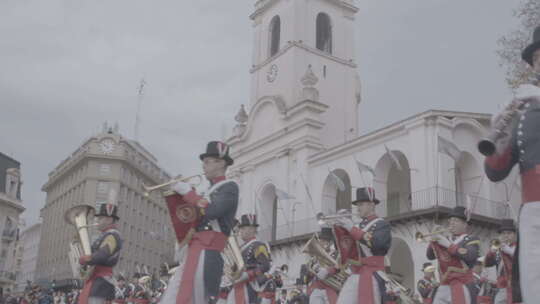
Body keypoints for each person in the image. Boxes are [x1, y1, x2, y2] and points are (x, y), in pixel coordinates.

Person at [483, 24, 540, 304]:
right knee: (533, 290)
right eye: (538, 58)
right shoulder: (524, 108)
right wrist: (500, 136)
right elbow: (495, 172)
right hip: (532, 211)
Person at [161, 141, 239, 304]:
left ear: (221, 162)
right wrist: (180, 198)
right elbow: (191, 217)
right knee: (172, 297)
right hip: (195, 250)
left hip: (208, 252)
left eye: (207, 161)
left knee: (197, 299)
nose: (203, 166)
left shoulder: (230, 187)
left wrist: (188, 193)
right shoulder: (206, 192)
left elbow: (211, 211)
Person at [334, 187, 392, 304]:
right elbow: (348, 248)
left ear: (371, 205)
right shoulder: (357, 226)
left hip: (372, 273)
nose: (358, 208)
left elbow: (378, 244)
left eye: (361, 204)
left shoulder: (381, 224)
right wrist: (340, 230)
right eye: (357, 205)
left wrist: (351, 228)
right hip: (355, 272)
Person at [426, 206, 480, 304]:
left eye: (455, 220)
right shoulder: (446, 238)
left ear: (465, 224)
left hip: (462, 284)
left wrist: (448, 245)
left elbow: (470, 256)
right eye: (450, 220)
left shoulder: (471, 239)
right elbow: (430, 256)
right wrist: (433, 239)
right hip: (444, 284)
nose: (451, 223)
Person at [78, 199, 122, 304]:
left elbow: (102, 256)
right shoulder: (103, 236)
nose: (97, 220)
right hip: (97, 280)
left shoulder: (112, 236)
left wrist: (86, 259)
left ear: (109, 219)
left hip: (102, 282)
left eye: (100, 218)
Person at [226, 214, 271, 304]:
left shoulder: (258, 245)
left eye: (243, 228)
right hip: (237, 284)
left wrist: (248, 275)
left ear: (251, 229)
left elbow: (265, 265)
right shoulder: (242, 247)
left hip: (248, 285)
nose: (240, 231)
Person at [483, 219, 518, 304]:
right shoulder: (498, 247)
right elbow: (487, 263)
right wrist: (492, 251)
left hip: (517, 286)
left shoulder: (519, 247)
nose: (506, 236)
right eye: (503, 233)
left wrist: (509, 251)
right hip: (503, 287)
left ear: (515, 235)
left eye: (509, 233)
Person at [306, 227, 339, 304]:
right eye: (321, 240)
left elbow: (339, 266)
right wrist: (311, 270)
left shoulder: (336, 254)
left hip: (330, 288)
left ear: (330, 242)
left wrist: (328, 270)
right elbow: (310, 275)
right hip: (317, 288)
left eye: (324, 241)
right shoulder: (316, 256)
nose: (321, 242)